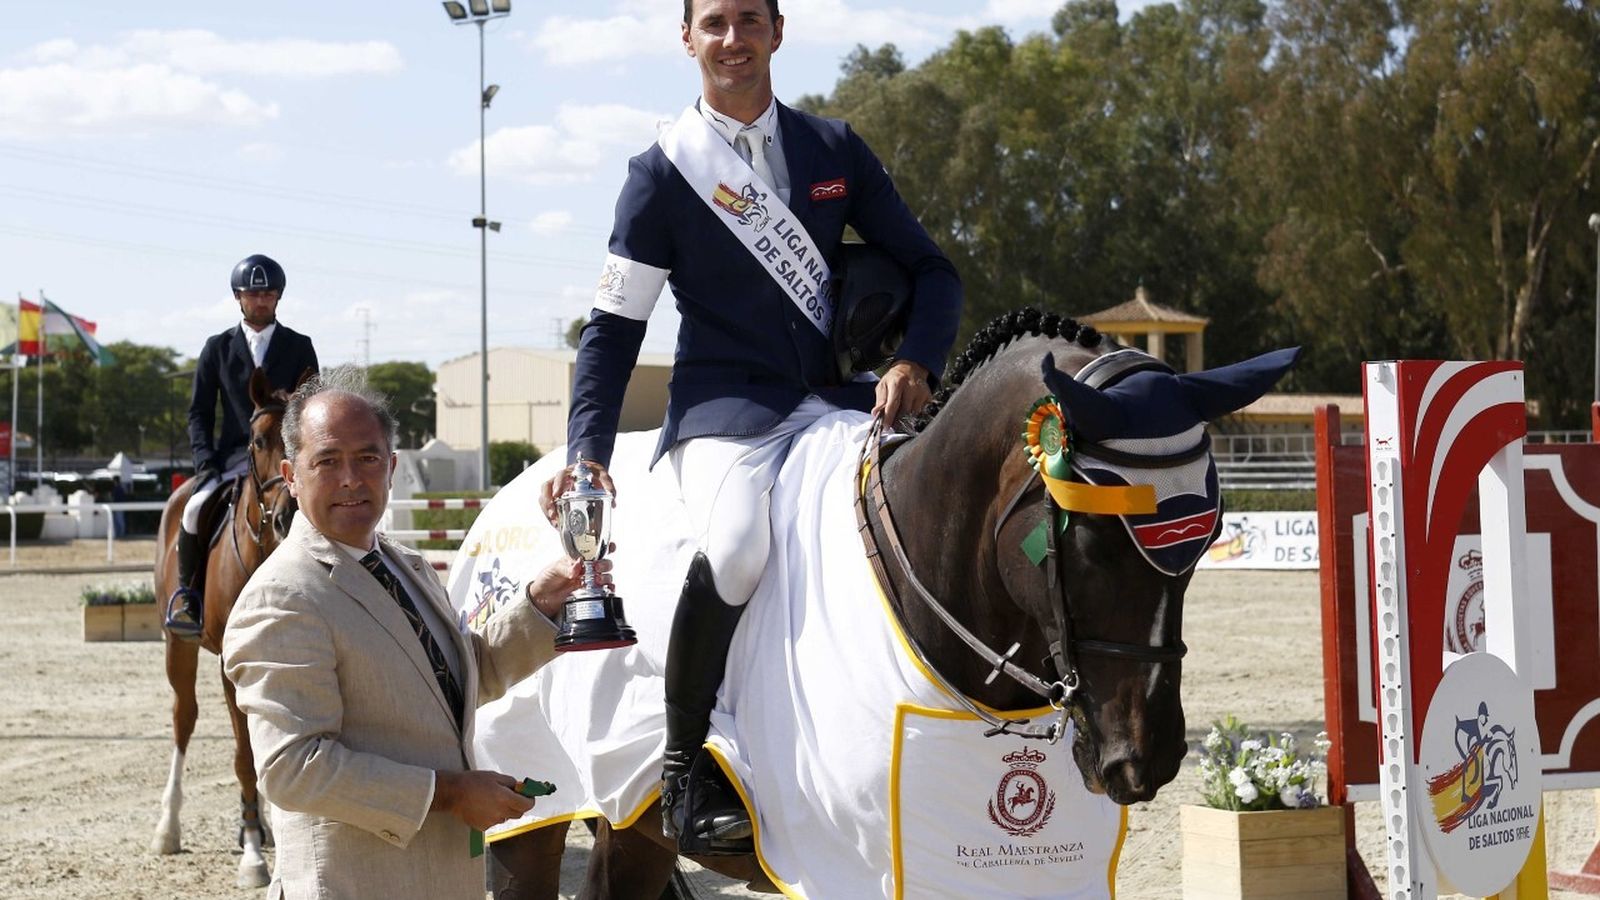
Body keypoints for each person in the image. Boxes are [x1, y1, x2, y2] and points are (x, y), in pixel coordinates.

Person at [539, 0, 962, 855]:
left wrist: (914, 361)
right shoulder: (662, 173)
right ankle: (687, 768)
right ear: (688, 38)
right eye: (716, 24)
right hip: (724, 407)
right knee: (736, 548)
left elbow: (931, 268)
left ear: (778, 30)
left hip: (837, 396)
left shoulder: (833, 149)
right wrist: (586, 452)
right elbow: (615, 329)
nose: (733, 40)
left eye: (749, 20)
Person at [223, 369, 600, 900]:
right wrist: (447, 793)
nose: (351, 477)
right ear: (289, 474)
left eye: (368, 458)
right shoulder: (281, 597)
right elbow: (293, 768)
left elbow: (458, 677)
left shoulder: (406, 565)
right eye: (327, 461)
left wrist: (541, 601)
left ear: (392, 467)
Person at [165, 253, 320, 638]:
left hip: (285, 458)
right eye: (253, 294)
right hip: (231, 458)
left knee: (320, 515)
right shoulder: (218, 347)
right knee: (193, 510)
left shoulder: (299, 346)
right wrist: (206, 463)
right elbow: (199, 412)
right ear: (238, 297)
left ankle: (330, 595)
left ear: (278, 297)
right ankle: (190, 598)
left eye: (268, 294)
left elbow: (316, 406)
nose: (261, 300)